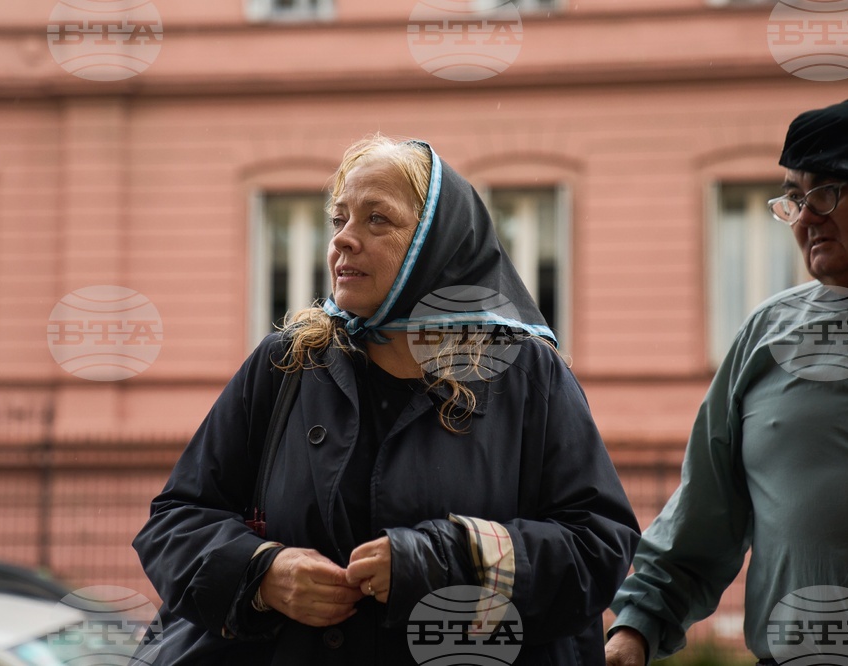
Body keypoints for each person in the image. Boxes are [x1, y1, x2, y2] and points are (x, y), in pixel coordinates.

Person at [132, 134, 640, 665]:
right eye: (339, 219)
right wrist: (264, 574)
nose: (343, 241)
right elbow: (175, 521)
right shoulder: (288, 362)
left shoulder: (524, 372)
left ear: (438, 243)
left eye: (377, 219)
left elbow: (597, 549)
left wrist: (441, 561)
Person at [605, 98, 848, 666]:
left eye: (827, 192)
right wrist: (635, 631)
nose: (805, 216)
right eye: (795, 198)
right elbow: (703, 515)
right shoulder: (766, 338)